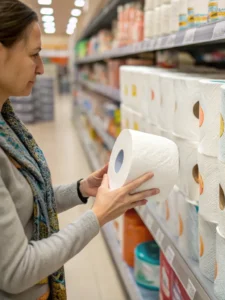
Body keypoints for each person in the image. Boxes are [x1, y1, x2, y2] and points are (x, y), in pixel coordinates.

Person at [0, 1, 160, 299]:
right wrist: (98, 216)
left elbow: (25, 200)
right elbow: (16, 270)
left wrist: (81, 189)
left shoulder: (6, 123)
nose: (42, 68)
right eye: (34, 54)